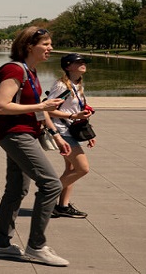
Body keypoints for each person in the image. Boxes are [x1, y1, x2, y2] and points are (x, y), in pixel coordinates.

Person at [0, 26, 71, 267]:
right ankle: (37, 246)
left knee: (16, 190)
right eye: (45, 44)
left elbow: (39, 108)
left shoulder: (30, 71)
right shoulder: (15, 70)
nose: (50, 48)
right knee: (51, 184)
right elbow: (0, 106)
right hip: (16, 135)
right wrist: (39, 107)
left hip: (27, 133)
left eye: (50, 43)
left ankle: (1, 244)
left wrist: (56, 134)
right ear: (28, 47)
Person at [46, 53, 95, 219]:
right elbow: (48, 109)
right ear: (68, 66)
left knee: (72, 169)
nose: (83, 64)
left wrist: (87, 131)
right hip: (62, 131)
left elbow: (75, 110)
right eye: (79, 62)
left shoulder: (78, 85)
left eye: (83, 62)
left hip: (71, 130)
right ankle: (47, 197)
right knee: (83, 168)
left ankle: (63, 206)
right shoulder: (62, 86)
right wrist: (73, 117)